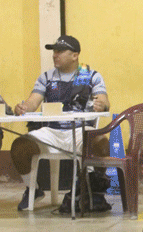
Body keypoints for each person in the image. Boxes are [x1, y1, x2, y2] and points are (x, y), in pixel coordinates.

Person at [11, 35, 110, 211]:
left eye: (60, 51)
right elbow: (32, 102)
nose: (55, 55)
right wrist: (23, 107)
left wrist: (101, 105)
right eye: (54, 51)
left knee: (101, 142)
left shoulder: (91, 76)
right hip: (52, 131)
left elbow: (104, 101)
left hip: (80, 130)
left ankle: (93, 189)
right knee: (19, 146)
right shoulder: (46, 77)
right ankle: (33, 189)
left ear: (75, 55)